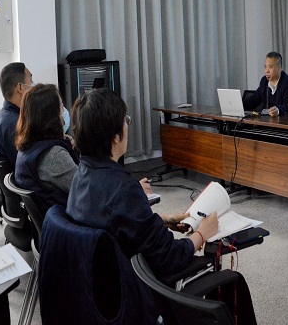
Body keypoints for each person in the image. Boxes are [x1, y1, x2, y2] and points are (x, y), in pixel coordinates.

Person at [66, 88, 219, 282]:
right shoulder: (124, 189)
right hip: (132, 287)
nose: (127, 125)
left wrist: (162, 220)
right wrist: (202, 233)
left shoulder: (82, 173)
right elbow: (169, 256)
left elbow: (114, 222)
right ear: (115, 137)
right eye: (126, 120)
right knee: (231, 278)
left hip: (96, 281)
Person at [14, 84, 79, 209]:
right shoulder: (53, 155)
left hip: (50, 216)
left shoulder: (27, 146)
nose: (64, 111)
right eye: (61, 106)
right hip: (67, 217)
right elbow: (85, 190)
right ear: (51, 116)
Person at [0, 63, 33, 166]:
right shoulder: (17, 125)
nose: (33, 87)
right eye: (31, 81)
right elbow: (30, 164)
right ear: (20, 87)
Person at [242, 52, 288, 117]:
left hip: (281, 121)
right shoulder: (264, 81)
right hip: (266, 120)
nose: (267, 71)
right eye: (265, 67)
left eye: (270, 67)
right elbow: (254, 100)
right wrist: (239, 106)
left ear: (279, 68)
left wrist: (278, 110)